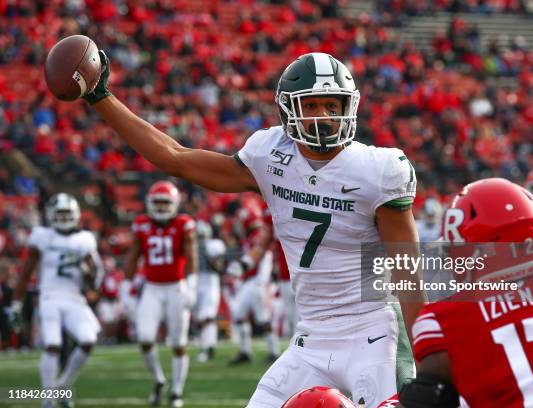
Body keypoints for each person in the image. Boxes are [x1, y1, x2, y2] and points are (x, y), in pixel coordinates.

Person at [79, 50, 422, 407]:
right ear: (289, 109)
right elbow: (174, 157)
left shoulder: (378, 169)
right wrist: (101, 98)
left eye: (333, 105)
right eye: (312, 105)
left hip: (374, 331)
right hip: (311, 337)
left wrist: (426, 356)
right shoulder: (270, 155)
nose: (324, 117)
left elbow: (408, 272)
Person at [397, 178, 533, 407]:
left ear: (482, 251)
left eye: (455, 251)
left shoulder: (444, 319)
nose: (452, 262)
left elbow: (423, 399)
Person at [10, 193, 103, 408]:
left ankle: (63, 387)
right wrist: (15, 304)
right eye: (59, 214)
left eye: (66, 214)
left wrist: (88, 271)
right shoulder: (42, 236)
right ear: (50, 215)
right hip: (49, 295)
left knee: (88, 340)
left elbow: (93, 283)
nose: (62, 218)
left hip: (74, 298)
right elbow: (26, 272)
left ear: (76, 215)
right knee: (53, 344)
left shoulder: (85, 240)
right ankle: (47, 400)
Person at [121, 181, 197, 408]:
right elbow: (133, 256)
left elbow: (191, 255)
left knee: (178, 343)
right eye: (158, 203)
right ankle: (159, 380)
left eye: (166, 203)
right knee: (144, 338)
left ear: (174, 204)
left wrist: (191, 285)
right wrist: (126, 287)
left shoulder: (184, 224)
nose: (162, 208)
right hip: (152, 288)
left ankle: (176, 392)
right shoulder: (142, 224)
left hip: (175, 287)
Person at [225, 200, 279, 364]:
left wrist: (261, 281)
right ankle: (247, 350)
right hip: (251, 281)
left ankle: (272, 350)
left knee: (260, 318)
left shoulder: (258, 236)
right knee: (241, 314)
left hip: (257, 281)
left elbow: (264, 258)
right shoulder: (250, 237)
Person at [193, 220, 226, 363]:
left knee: (207, 316)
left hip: (210, 281)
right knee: (202, 317)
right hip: (196, 281)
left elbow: (219, 268)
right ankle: (210, 344)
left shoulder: (214, 245)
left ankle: (206, 348)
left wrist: (206, 253)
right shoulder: (191, 245)